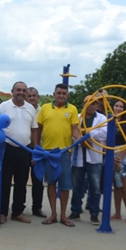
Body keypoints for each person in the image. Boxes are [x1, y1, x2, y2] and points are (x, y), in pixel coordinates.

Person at [37, 84, 82, 227]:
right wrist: (37, 147)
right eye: (59, 93)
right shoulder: (45, 108)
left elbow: (75, 129)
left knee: (65, 185)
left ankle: (63, 216)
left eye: (64, 93)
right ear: (54, 94)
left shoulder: (72, 109)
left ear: (67, 95)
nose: (61, 95)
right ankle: (53, 214)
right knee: (51, 183)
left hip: (63, 153)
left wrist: (80, 138)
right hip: (48, 152)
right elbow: (38, 129)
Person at [0, 82, 38, 224]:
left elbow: (34, 129)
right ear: (12, 91)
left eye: (23, 90)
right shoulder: (3, 107)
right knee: (4, 182)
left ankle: (17, 212)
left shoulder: (30, 108)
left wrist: (35, 150)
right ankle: (2, 212)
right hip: (7, 148)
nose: (21, 92)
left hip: (25, 149)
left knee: (21, 182)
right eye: (18, 90)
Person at [69, 95, 107, 225]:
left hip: (94, 158)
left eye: (93, 103)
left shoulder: (102, 118)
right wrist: (83, 140)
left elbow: (104, 133)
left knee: (95, 187)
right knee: (76, 186)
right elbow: (71, 132)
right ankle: (75, 211)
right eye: (88, 103)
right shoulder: (77, 117)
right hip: (78, 156)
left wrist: (86, 134)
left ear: (97, 105)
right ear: (83, 104)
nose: (90, 106)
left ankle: (94, 213)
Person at [111, 99, 126, 223]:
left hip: (124, 154)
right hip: (111, 152)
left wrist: (120, 158)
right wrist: (112, 157)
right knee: (116, 185)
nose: (118, 108)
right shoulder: (109, 120)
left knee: (124, 186)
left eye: (121, 106)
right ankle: (117, 213)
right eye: (116, 105)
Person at [26, 87, 45, 218]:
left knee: (38, 181)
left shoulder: (43, 111)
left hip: (39, 150)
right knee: (21, 180)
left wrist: (37, 150)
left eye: (34, 96)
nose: (32, 98)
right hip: (24, 149)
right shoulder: (23, 109)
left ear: (38, 97)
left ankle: (37, 208)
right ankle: (18, 208)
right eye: (29, 96)